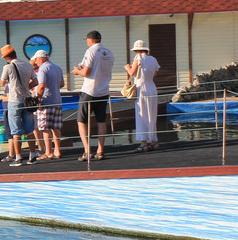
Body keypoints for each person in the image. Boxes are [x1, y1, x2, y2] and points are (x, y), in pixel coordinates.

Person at [71, 30, 115, 161]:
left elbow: (86, 72)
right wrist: (84, 67)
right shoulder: (109, 52)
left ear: (90, 40)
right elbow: (100, 69)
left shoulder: (90, 51)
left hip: (90, 91)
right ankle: (100, 150)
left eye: (87, 40)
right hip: (104, 90)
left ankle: (87, 150)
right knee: (101, 120)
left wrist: (77, 71)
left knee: (81, 121)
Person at [0, 44, 38, 166]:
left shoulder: (8, 67)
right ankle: (32, 155)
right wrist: (27, 87)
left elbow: (3, 82)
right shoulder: (27, 65)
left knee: (16, 131)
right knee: (30, 130)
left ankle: (18, 158)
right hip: (27, 100)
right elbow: (35, 81)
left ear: (6, 57)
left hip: (14, 101)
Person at [125, 39, 160, 151]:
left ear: (137, 50)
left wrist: (127, 67)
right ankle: (154, 141)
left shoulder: (138, 58)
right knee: (152, 114)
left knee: (142, 115)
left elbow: (132, 73)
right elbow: (155, 72)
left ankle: (143, 143)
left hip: (142, 88)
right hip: (152, 87)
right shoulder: (153, 59)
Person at [32, 49, 64, 160]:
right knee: (56, 127)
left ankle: (48, 152)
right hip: (57, 101)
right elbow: (62, 84)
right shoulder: (57, 68)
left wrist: (38, 99)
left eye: (36, 60)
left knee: (45, 128)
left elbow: (41, 86)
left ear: (41, 58)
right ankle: (57, 150)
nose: (36, 62)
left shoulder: (43, 69)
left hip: (46, 102)